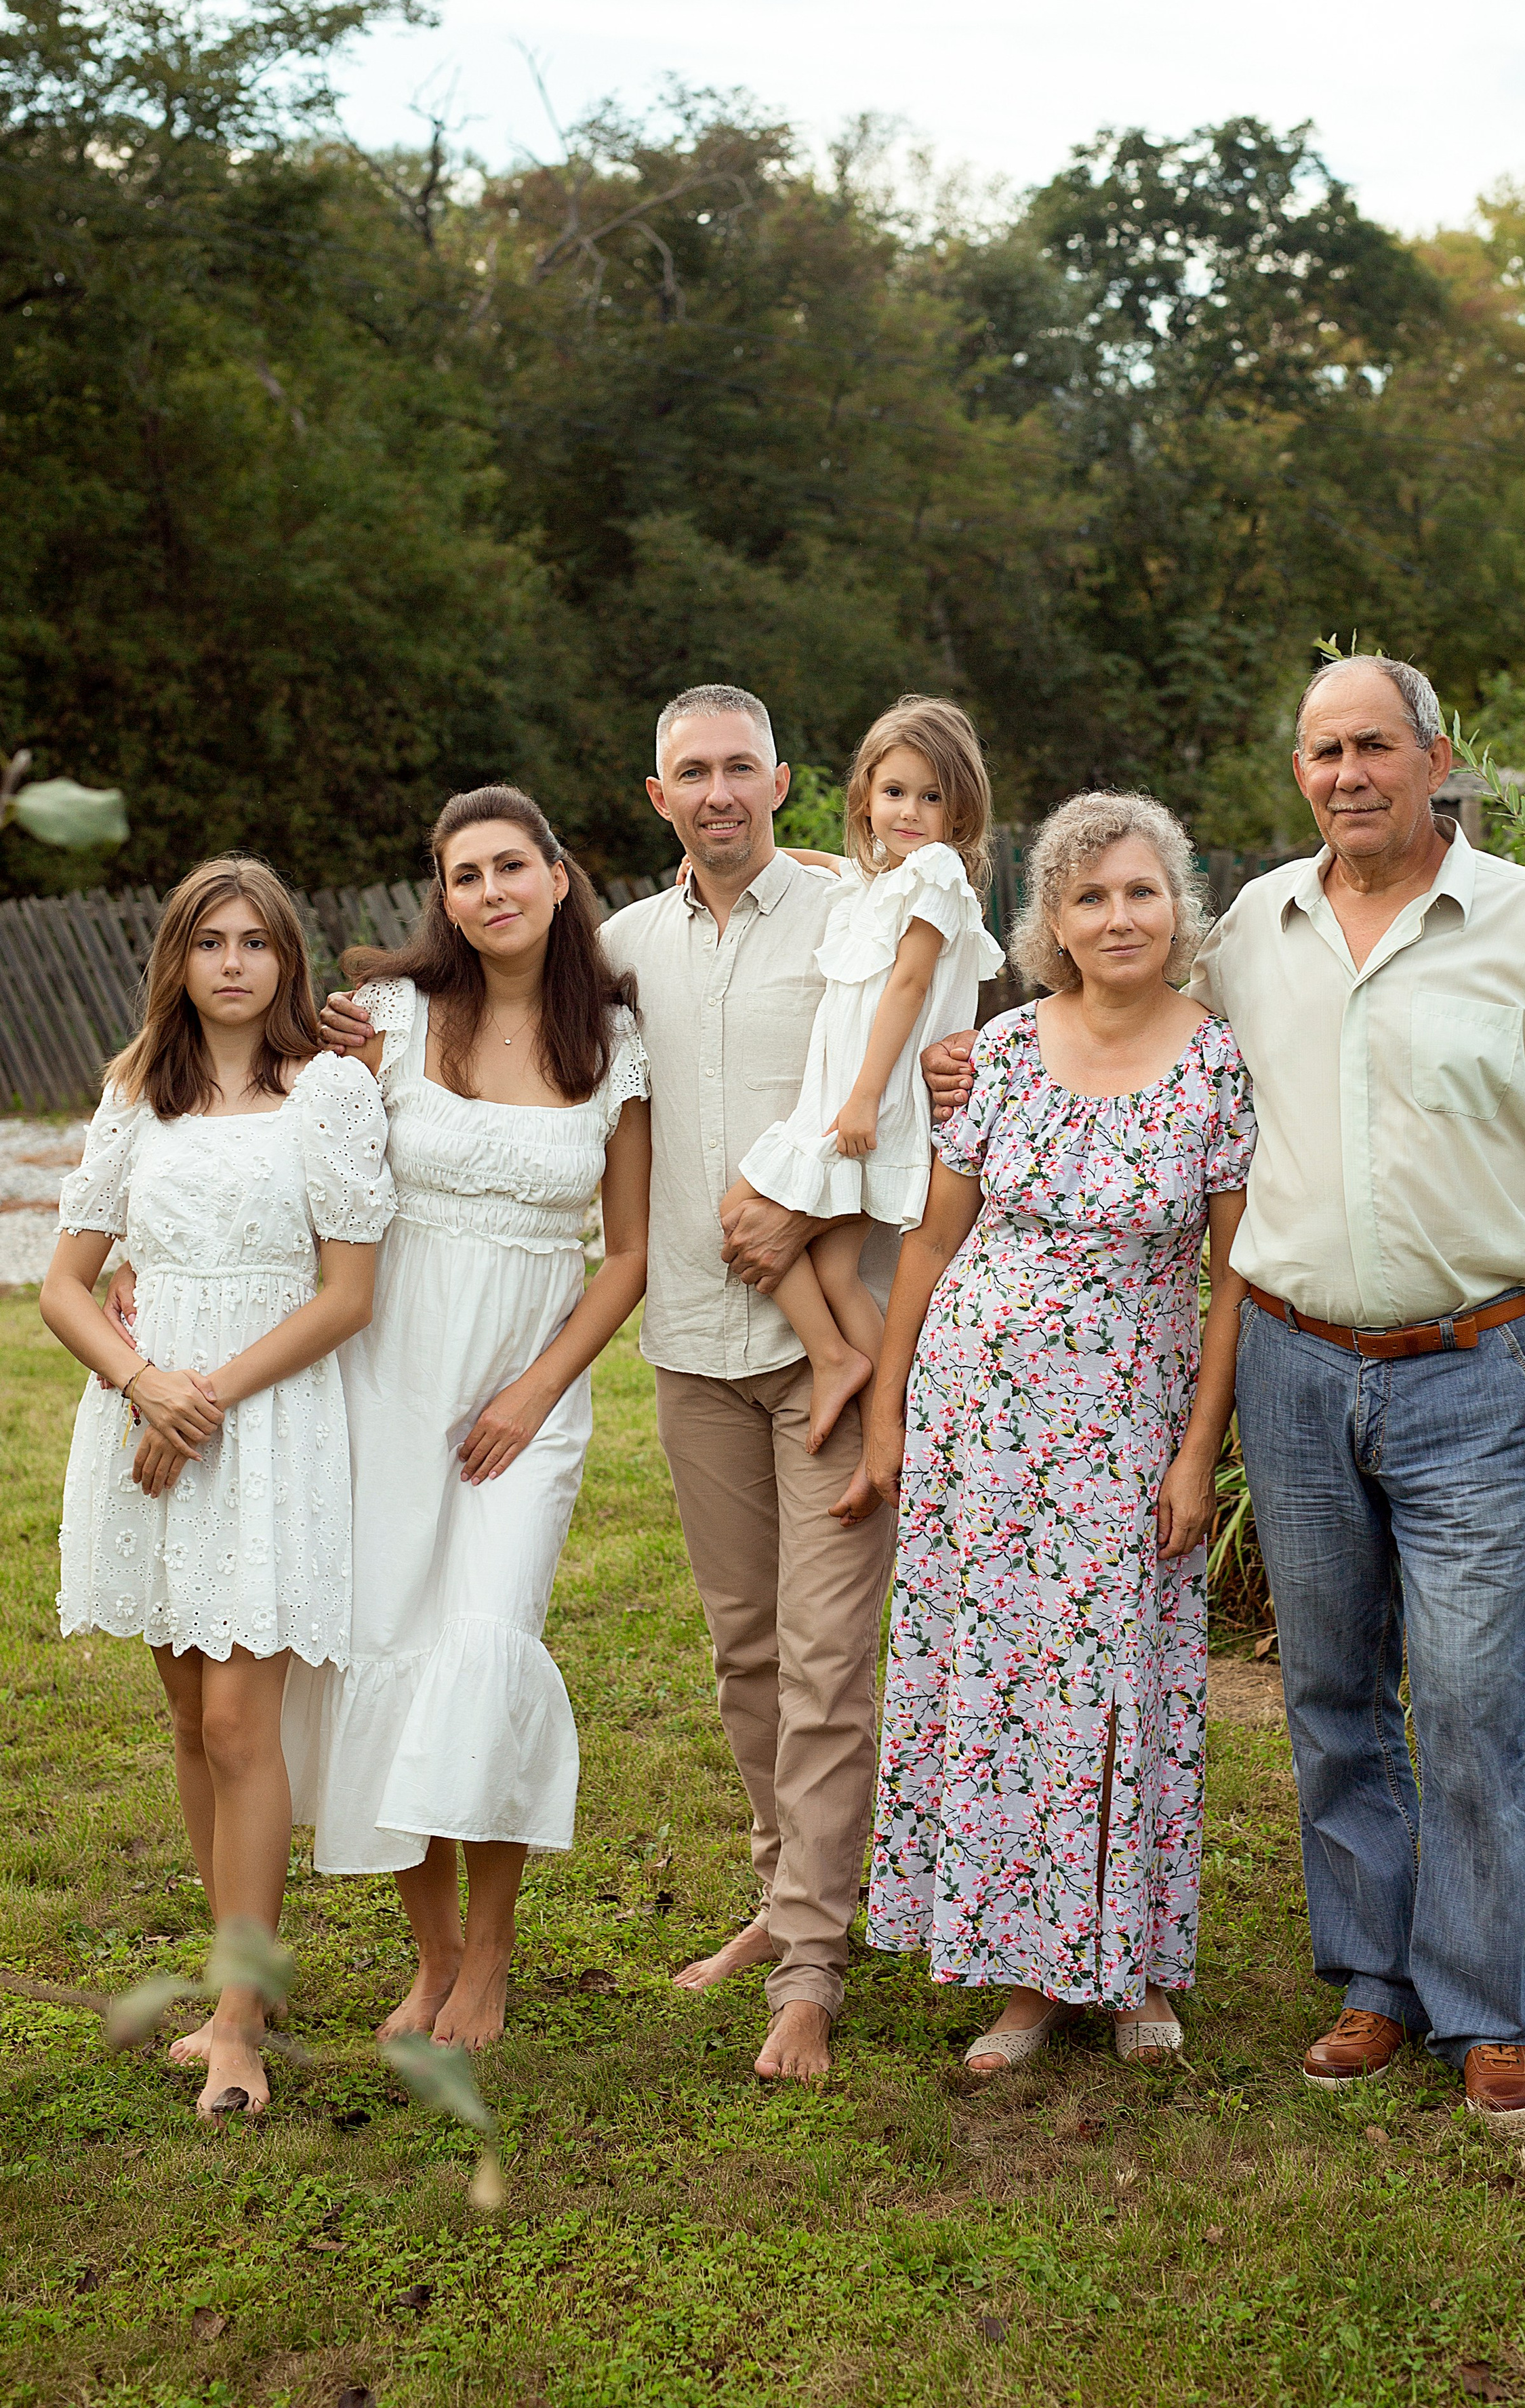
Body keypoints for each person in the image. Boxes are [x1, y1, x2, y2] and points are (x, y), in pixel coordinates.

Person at [924, 657, 1525, 2126]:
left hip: (1481, 1366)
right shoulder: (1253, 927)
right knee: (1326, 1693)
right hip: (1297, 1370)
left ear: (1434, 754)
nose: (1346, 773)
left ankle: (1486, 2007)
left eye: (1372, 744)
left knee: (1466, 1701)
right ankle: (1374, 1985)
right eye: (1321, 750)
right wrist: (966, 1048)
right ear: (1298, 771)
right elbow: (1103, 1003)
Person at [863, 792, 1255, 2073]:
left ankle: (1133, 1960)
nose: (1119, 916)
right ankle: (1022, 1972)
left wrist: (1199, 1451)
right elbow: (930, 1240)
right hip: (981, 1423)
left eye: (1140, 890)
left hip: (1130, 1429)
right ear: (1053, 922)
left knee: (1122, 1682)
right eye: (1090, 896)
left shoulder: (1215, 1057)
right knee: (1006, 1689)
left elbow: (1233, 1275)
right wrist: (890, 1410)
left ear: (1177, 904)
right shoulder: (1004, 1051)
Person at [293, 784, 651, 2047]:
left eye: (512, 865)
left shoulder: (613, 1041)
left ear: (559, 877)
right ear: (440, 896)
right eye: (463, 874)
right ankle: (431, 1957)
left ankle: (492, 1956)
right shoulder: (387, 1020)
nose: (490, 891)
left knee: (488, 1649)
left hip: (526, 1393)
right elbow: (297, 1165)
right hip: (387, 1380)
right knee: (385, 1647)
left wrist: (536, 1390)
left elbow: (626, 1256)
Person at [43, 856, 392, 2118]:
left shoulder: (333, 1092)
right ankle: (244, 1967)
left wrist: (209, 1396)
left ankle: (239, 2017)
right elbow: (64, 1283)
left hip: (266, 1424)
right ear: (179, 962)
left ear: (288, 960)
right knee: (191, 1723)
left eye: (256, 941)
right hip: (144, 1422)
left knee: (246, 1726)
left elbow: (349, 1295)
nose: (234, 961)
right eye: (210, 941)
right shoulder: (140, 1091)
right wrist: (146, 1382)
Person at [598, 683, 900, 2085]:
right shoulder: (616, 950)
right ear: (655, 796)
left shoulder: (854, 920)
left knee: (829, 1659)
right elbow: (479, 1031)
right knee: (745, 1655)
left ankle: (810, 1967)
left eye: (739, 768)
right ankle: (790, 1896)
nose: (716, 793)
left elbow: (913, 1073)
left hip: (828, 1348)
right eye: (688, 774)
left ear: (782, 781)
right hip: (691, 1354)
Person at [725, 697, 1002, 1452]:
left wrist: (863, 1099)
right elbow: (844, 868)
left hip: (867, 1102)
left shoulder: (937, 874)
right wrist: (791, 860)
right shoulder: (882, 882)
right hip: (845, 1100)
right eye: (893, 793)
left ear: (958, 810)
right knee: (834, 1265)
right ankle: (882, 1395)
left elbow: (908, 988)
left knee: (739, 1213)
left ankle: (852, 1372)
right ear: (867, 800)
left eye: (931, 796)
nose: (909, 811)